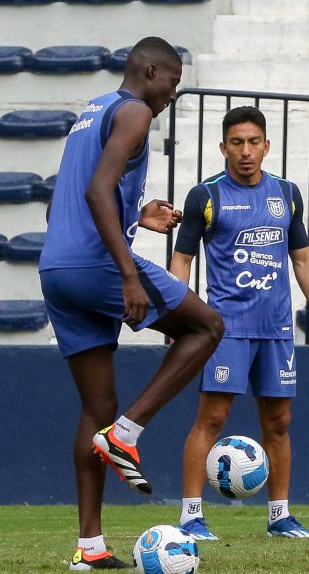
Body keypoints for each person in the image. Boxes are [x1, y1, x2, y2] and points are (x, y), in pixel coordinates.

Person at [38, 36, 225, 571]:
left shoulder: (92, 110)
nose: (174, 93)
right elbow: (98, 192)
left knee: (95, 407)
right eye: (172, 82)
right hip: (96, 264)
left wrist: (135, 216)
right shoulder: (136, 111)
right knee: (207, 326)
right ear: (150, 71)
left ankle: (90, 548)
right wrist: (127, 274)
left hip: (57, 268)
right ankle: (127, 434)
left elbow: (62, 205)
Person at [170, 105, 309, 540]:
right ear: (223, 147)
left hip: (277, 328)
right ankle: (190, 515)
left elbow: (301, 257)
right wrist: (177, 318)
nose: (245, 151)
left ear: (266, 145)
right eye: (237, 143)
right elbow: (182, 259)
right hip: (226, 329)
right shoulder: (206, 196)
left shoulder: (287, 193)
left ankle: (279, 516)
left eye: (253, 142)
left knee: (278, 422)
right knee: (213, 418)